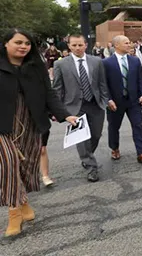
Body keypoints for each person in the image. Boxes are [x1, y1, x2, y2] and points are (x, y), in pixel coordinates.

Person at [0, 28, 78, 237]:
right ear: (6, 43)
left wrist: (65, 115)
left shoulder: (36, 66)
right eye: (18, 42)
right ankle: (14, 212)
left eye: (27, 43)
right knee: (9, 164)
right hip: (3, 125)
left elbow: (49, 94)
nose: (23, 46)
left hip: (31, 122)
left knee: (25, 165)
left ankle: (23, 200)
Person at [53, 34, 110, 182]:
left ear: (86, 45)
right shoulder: (61, 64)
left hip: (95, 104)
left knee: (96, 135)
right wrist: (57, 109)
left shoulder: (97, 61)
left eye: (80, 45)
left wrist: (105, 100)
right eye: (74, 45)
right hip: (74, 107)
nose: (77, 48)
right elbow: (57, 88)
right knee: (82, 138)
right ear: (69, 46)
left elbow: (102, 83)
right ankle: (92, 167)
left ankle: (87, 156)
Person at [103, 35, 142, 165]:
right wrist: (108, 99)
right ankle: (114, 148)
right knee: (114, 127)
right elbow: (104, 83)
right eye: (126, 43)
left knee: (137, 125)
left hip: (134, 100)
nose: (129, 45)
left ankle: (141, 152)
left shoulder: (134, 61)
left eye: (129, 42)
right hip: (115, 102)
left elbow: (140, 79)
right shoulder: (107, 63)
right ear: (116, 45)